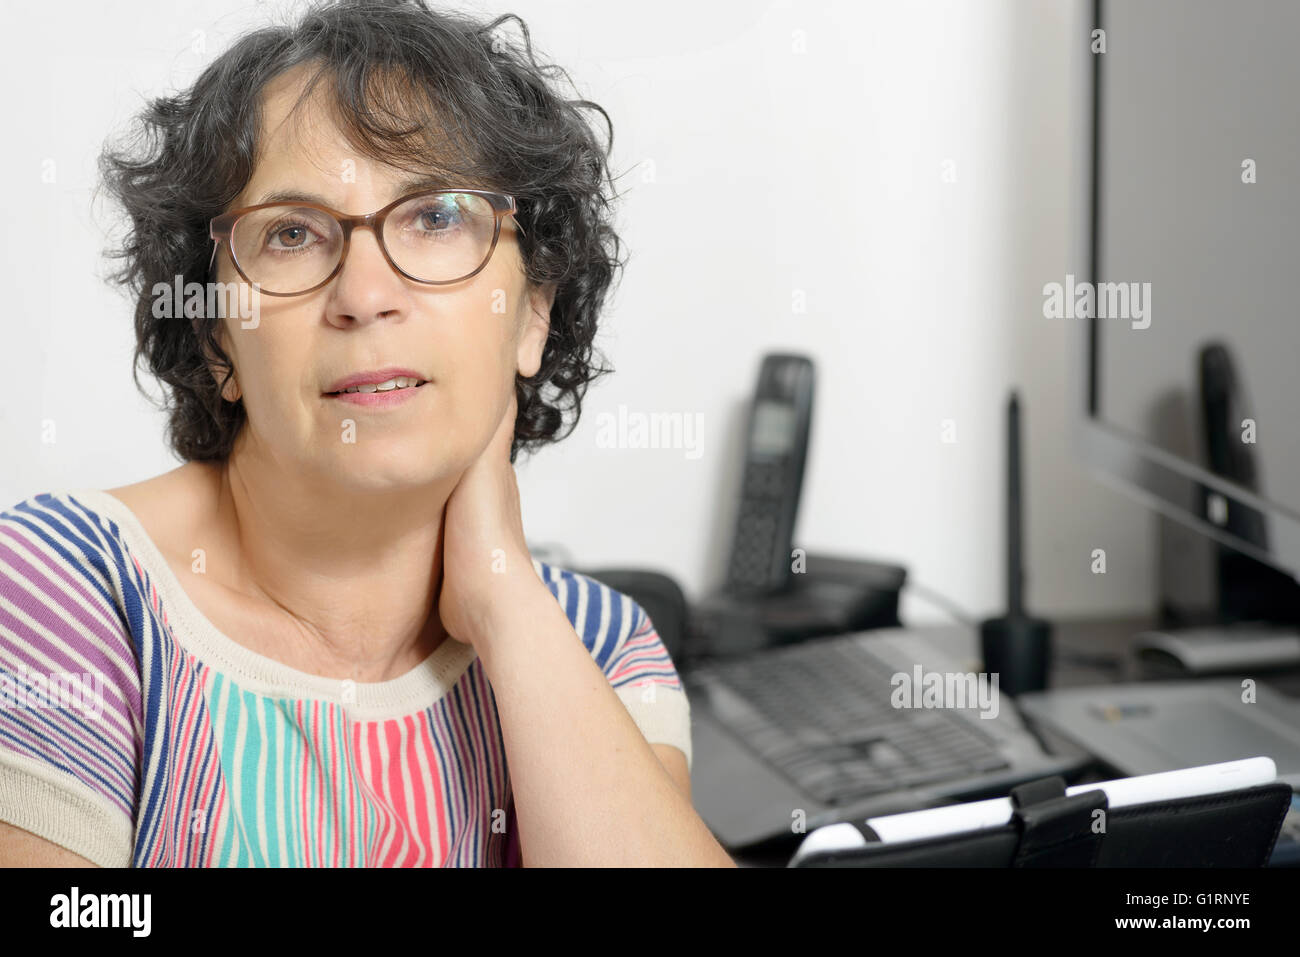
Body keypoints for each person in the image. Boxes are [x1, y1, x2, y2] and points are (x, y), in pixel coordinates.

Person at [0, 0, 731, 867]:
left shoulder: (602, 646)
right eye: (293, 235)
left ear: (532, 313)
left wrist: (504, 598)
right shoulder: (64, 587)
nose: (365, 294)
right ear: (216, 338)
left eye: (435, 216)